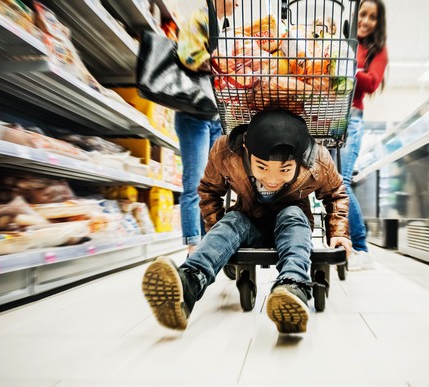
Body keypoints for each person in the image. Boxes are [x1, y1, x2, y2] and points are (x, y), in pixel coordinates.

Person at [142, 109, 352, 334]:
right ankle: (188, 283)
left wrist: (338, 232)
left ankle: (293, 287)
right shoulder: (225, 151)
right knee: (232, 219)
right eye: (262, 167)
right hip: (247, 221)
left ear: (299, 159)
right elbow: (209, 190)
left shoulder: (318, 158)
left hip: (293, 225)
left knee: (292, 214)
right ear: (246, 149)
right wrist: (219, 241)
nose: (272, 179)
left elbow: (336, 194)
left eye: (285, 169)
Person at [174, 0, 238, 255]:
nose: (236, 3)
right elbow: (188, 55)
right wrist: (221, 61)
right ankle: (193, 245)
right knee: (195, 182)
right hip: (193, 114)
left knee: (214, 184)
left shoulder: (222, 26)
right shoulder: (199, 18)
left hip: (214, 115)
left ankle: (211, 242)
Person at [341, 0, 388, 270]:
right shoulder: (342, 39)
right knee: (330, 184)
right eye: (363, 14)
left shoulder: (377, 50)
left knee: (342, 182)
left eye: (373, 17)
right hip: (330, 115)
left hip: (353, 118)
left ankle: (361, 247)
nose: (366, 20)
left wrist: (346, 69)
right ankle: (343, 241)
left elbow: (371, 83)